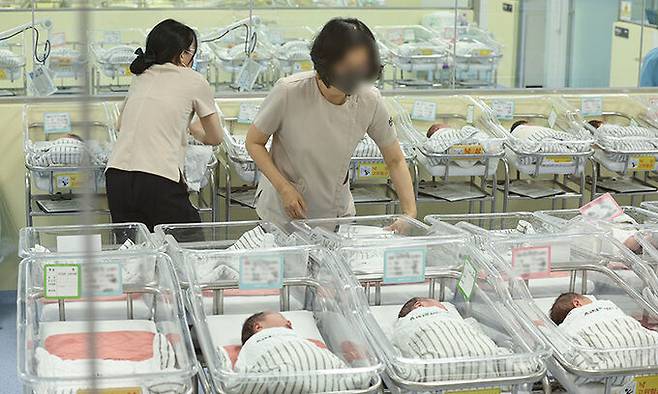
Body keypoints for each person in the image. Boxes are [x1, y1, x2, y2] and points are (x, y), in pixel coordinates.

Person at [246, 18, 416, 226]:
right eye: (347, 67)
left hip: (336, 213)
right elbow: (254, 142)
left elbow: (395, 160)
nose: (354, 76)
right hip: (283, 212)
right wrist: (283, 187)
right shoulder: (289, 92)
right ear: (326, 62)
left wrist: (409, 213)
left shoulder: (369, 99)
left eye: (361, 68)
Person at [105, 19, 222, 231]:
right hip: (156, 178)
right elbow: (215, 137)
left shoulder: (141, 78)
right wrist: (192, 128)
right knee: (187, 247)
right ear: (184, 54)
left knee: (135, 254)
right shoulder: (194, 80)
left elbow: (120, 123)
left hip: (117, 177)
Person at [234, 311, 369, 391]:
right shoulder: (257, 341)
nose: (289, 322)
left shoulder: (297, 339)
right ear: (258, 327)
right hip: (280, 370)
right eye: (283, 320)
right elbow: (246, 364)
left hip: (314, 369)